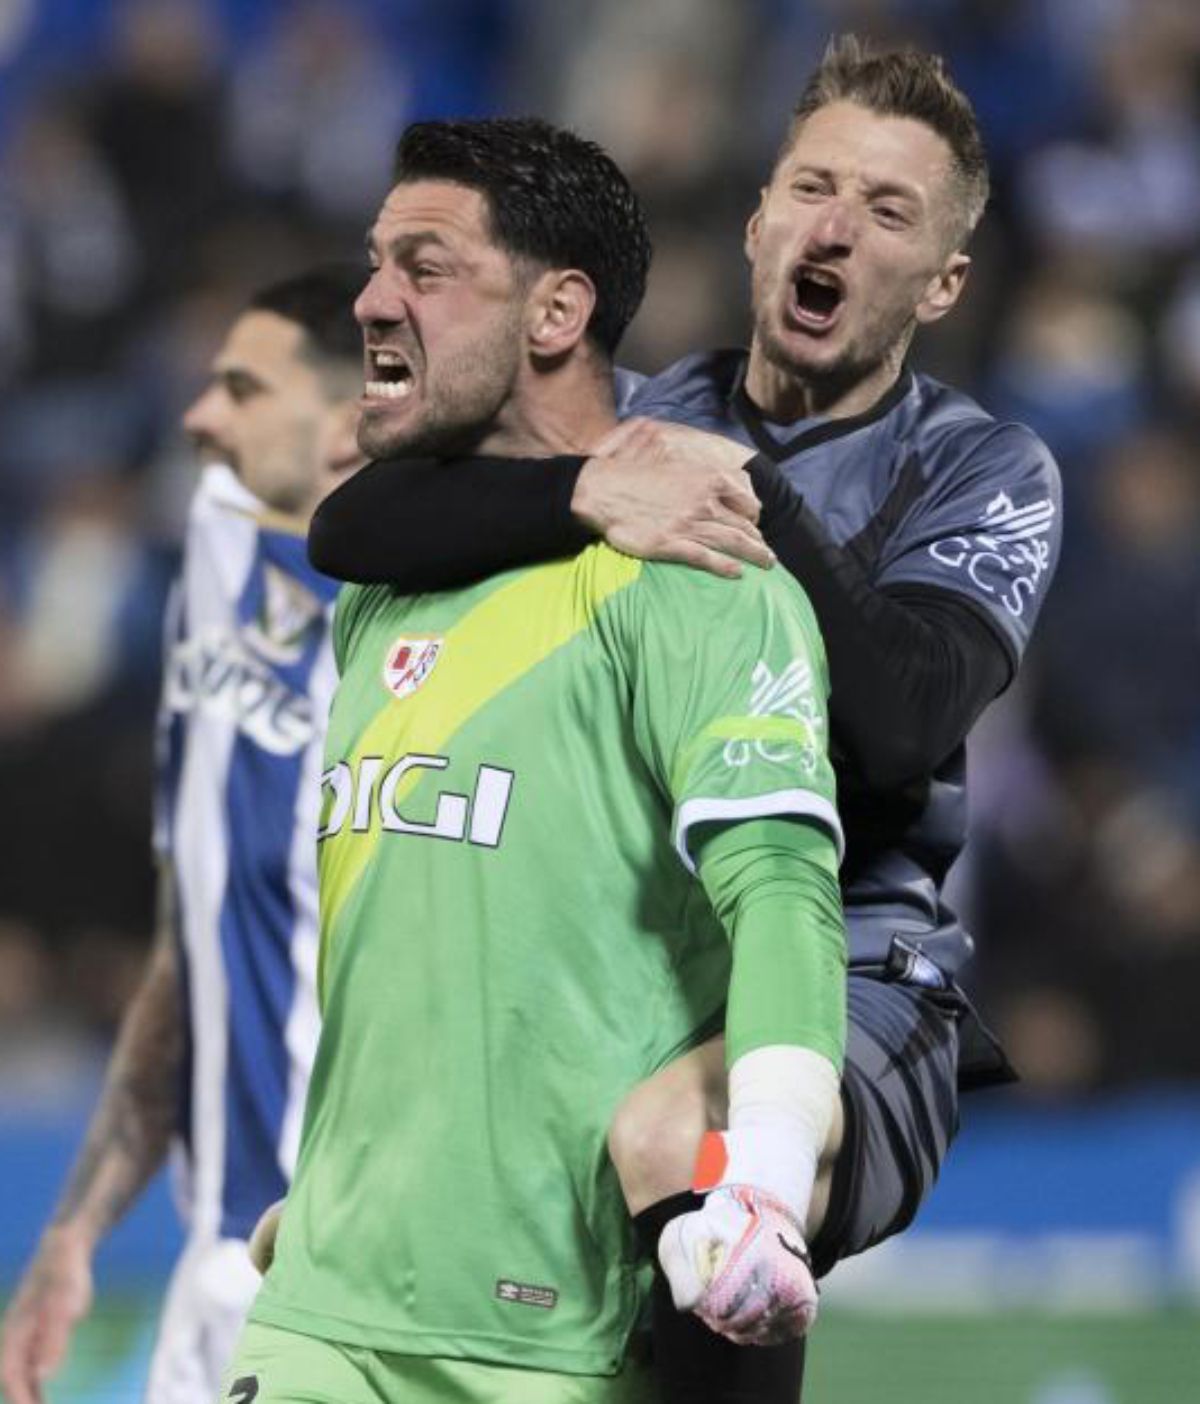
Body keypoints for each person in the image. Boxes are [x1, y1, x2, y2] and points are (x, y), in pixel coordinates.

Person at [309, 36, 1063, 1404]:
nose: (835, 227)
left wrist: (745, 493)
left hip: (856, 965)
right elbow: (358, 525)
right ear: (761, 218)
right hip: (641, 948)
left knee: (673, 1137)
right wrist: (580, 493)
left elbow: (898, 723)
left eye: (887, 212)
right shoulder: (635, 420)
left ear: (943, 281)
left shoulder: (985, 470)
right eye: (813, 187)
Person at [224, 116, 848, 1404]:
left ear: (559, 309)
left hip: (546, 1346)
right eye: (374, 261)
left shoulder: (699, 578)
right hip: (324, 1307)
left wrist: (767, 1184)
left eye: (426, 266)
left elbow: (783, 896)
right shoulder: (382, 593)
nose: (370, 301)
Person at [0, 266, 365, 1404]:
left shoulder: (421, 649)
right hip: (216, 1268)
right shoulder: (210, 564)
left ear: (348, 426)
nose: (200, 416)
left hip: (339, 1277)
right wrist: (75, 1230)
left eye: (242, 390)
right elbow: (188, 944)